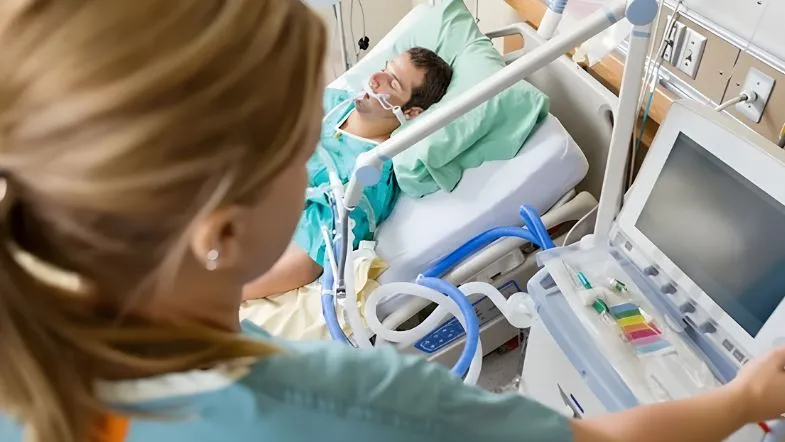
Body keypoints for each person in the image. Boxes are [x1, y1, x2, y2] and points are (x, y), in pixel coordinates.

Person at [1, 2, 785, 442]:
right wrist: (743, 402)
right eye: (294, 134)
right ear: (217, 235)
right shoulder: (342, 404)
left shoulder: (40, 349)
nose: (322, 127)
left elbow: (332, 236)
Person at [242, 46, 452, 300]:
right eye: (385, 69)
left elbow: (320, 253)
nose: (376, 79)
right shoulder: (333, 103)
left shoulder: (373, 171)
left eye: (392, 82)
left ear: (410, 112)